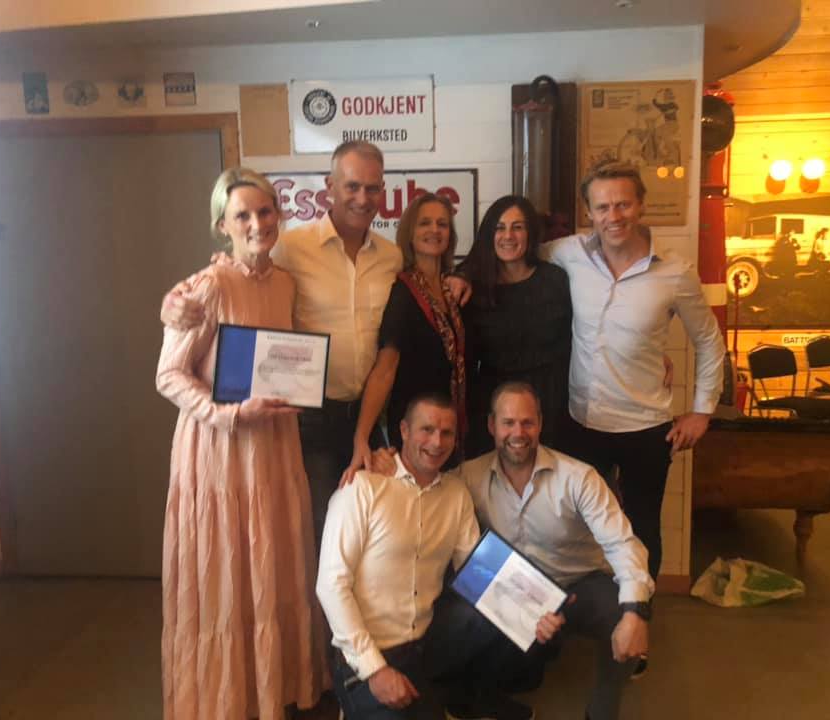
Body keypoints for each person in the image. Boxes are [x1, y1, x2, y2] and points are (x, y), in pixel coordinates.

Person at [161, 141, 403, 542]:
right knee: (314, 531)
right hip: (307, 419)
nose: (363, 198)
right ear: (330, 187)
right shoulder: (290, 249)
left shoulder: (392, 257)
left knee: (370, 532)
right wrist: (171, 304)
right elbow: (230, 275)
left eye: (372, 188)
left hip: (366, 418)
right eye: (352, 186)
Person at [367, 382, 653, 720]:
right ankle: (470, 694)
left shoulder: (578, 478)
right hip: (519, 592)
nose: (518, 433)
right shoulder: (468, 476)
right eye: (508, 423)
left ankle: (601, 713)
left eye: (527, 423)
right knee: (483, 630)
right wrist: (389, 463)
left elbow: (623, 543)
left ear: (540, 424)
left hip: (580, 587)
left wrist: (636, 612)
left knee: (623, 611)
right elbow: (425, 480)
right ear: (491, 425)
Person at [156, 168, 329, 719]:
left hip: (273, 443)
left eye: (265, 211)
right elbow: (168, 375)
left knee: (273, 562)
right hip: (220, 449)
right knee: (228, 572)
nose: (257, 223)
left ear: (279, 214)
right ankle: (228, 699)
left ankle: (273, 689)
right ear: (222, 226)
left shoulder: (285, 283)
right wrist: (228, 415)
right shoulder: (206, 286)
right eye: (242, 215)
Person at [541, 162, 725, 582]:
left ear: (641, 205)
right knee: (576, 528)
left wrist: (702, 411)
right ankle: (588, 609)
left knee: (641, 529)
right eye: (603, 207)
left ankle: (639, 611)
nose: (614, 216)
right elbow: (512, 255)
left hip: (645, 427)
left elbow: (708, 340)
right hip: (582, 423)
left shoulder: (675, 272)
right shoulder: (569, 253)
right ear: (589, 212)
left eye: (623, 204)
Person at [317, 394, 541, 720]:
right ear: (404, 430)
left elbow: (478, 571)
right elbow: (330, 586)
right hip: (367, 652)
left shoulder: (455, 494)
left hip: (425, 643)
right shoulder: (361, 487)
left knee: (500, 618)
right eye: (427, 430)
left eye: (447, 433)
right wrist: (375, 671)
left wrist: (537, 608)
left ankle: (465, 697)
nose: (437, 443)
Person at [342, 193, 466, 482]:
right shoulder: (403, 291)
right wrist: (362, 437)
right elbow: (385, 369)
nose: (434, 230)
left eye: (442, 224)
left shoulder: (451, 291)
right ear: (409, 232)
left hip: (448, 425)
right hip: (416, 431)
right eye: (424, 223)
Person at [457, 195, 572, 457]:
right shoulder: (474, 286)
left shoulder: (555, 280)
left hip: (551, 403)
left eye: (517, 227)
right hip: (492, 404)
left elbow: (586, 330)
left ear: (530, 234)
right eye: (500, 227)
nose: (508, 235)